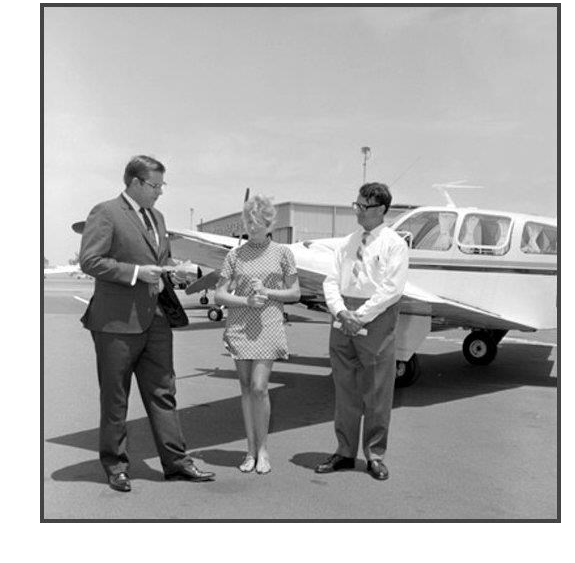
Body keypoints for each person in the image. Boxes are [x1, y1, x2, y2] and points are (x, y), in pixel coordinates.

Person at [79, 155, 215, 492]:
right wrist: (137, 274)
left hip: (155, 320)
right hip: (115, 323)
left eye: (161, 186)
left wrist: (175, 268)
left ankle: (177, 463)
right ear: (135, 183)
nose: (160, 193)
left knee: (163, 393)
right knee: (116, 398)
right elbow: (91, 260)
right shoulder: (105, 212)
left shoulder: (158, 217)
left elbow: (158, 259)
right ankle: (116, 466)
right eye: (155, 186)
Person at [315, 182, 409, 481]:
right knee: (345, 389)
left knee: (378, 391)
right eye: (356, 204)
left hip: (377, 317)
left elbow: (391, 289)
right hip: (344, 316)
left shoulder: (395, 244)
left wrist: (362, 315)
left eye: (363, 206)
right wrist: (341, 311)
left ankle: (375, 455)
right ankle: (344, 451)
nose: (357, 210)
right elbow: (331, 280)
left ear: (381, 209)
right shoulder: (346, 242)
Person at [215, 195, 300, 474]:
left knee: (259, 387)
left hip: (269, 325)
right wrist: (245, 301)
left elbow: (295, 293)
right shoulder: (234, 255)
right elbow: (219, 295)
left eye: (257, 223)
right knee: (244, 387)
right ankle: (249, 450)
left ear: (268, 223)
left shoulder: (283, 253)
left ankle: (263, 449)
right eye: (248, 222)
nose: (251, 227)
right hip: (240, 325)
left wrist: (267, 292)